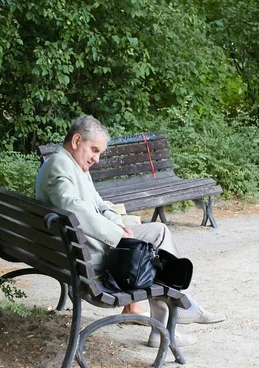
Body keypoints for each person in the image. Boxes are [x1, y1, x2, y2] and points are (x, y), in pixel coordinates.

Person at [35, 115, 225, 347]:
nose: (96, 158)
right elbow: (74, 211)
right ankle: (178, 309)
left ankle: (176, 311)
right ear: (76, 140)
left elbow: (99, 203)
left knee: (156, 233)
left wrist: (117, 223)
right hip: (85, 254)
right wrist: (117, 235)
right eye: (93, 150)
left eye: (99, 153)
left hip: (72, 248)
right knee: (158, 234)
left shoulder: (71, 164)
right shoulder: (60, 167)